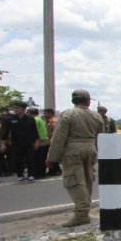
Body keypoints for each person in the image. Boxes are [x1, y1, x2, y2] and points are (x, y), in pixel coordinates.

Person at [46, 89, 104, 227]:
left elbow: (58, 138)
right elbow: (102, 137)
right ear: (88, 101)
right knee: (87, 179)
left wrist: (51, 157)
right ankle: (84, 210)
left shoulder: (68, 115)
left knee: (75, 181)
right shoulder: (96, 116)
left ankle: (82, 213)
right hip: (91, 148)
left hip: (73, 149)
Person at [0, 100, 38, 182]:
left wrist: (36, 141)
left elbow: (35, 132)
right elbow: (5, 132)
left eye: (17, 108)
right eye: (14, 108)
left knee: (30, 159)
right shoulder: (10, 120)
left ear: (23, 109)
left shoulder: (30, 119)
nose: (15, 109)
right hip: (16, 143)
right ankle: (20, 175)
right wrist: (3, 144)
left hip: (28, 142)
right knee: (18, 159)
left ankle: (31, 175)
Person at [28, 107, 49, 178]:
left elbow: (33, 130)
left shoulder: (35, 119)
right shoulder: (40, 119)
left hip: (39, 141)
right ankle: (42, 173)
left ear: (30, 113)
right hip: (44, 140)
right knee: (42, 157)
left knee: (37, 158)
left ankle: (38, 173)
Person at [42, 108, 61, 176]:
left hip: (52, 140)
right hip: (49, 140)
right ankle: (51, 170)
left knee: (52, 155)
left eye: (46, 113)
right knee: (49, 156)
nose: (44, 115)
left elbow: (53, 131)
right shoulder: (47, 121)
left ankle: (56, 170)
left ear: (50, 114)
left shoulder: (53, 120)